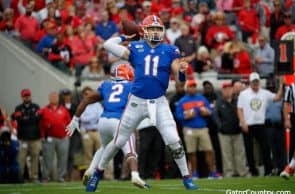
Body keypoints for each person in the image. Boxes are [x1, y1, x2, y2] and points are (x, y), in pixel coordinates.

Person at [66, 15, 199, 191]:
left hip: (159, 102)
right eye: (152, 29)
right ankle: (97, 174)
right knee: (117, 140)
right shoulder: (136, 47)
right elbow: (108, 45)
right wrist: (125, 37)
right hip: (136, 102)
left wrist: (182, 71)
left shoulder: (170, 50)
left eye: (158, 29)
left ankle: (187, 178)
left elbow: (179, 79)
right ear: (143, 31)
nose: (155, 32)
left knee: (174, 140)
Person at [66, 63, 148, 189]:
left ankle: (91, 170)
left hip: (103, 121)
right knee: (130, 151)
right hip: (120, 121)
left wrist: (75, 119)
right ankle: (135, 175)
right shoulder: (132, 86)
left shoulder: (106, 84)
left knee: (104, 147)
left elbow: (86, 99)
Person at [237, 72, 283, 176]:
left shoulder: (264, 93)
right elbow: (239, 109)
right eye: (253, 82)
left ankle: (268, 170)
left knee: (265, 148)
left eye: (257, 82)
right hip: (248, 124)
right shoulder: (244, 94)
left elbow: (277, 98)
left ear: (259, 82)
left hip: (260, 124)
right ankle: (253, 171)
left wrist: (281, 85)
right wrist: (242, 122)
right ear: (250, 82)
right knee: (249, 150)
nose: (255, 84)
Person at [176, 79, 219, 179]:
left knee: (209, 150)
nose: (193, 88)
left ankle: (212, 172)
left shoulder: (202, 99)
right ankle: (194, 173)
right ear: (187, 88)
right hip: (189, 129)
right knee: (191, 152)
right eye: (191, 86)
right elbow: (178, 115)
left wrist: (207, 112)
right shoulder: (183, 101)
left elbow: (210, 111)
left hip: (202, 128)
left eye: (194, 86)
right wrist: (186, 116)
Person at [215, 82, 249, 177]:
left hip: (237, 131)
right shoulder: (219, 102)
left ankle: (242, 172)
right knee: (227, 155)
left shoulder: (237, 101)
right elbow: (216, 116)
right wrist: (220, 126)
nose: (228, 91)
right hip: (224, 133)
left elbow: (243, 112)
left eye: (229, 89)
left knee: (240, 153)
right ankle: (229, 173)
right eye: (226, 89)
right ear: (222, 91)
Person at [39, 91, 71, 182]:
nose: (54, 99)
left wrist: (68, 135)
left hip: (63, 138)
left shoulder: (63, 109)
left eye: (56, 97)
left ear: (58, 98)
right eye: (52, 97)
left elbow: (69, 122)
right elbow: (41, 124)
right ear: (49, 99)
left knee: (63, 158)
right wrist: (42, 135)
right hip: (49, 138)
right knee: (47, 158)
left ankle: (60, 177)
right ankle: (45, 177)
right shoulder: (44, 110)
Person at [13, 89, 41, 182]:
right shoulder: (18, 108)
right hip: (22, 138)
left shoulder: (36, 106)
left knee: (35, 158)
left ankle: (34, 177)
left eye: (28, 95)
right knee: (21, 158)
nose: (27, 97)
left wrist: (26, 118)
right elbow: (19, 120)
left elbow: (37, 118)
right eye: (25, 96)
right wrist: (30, 118)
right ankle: (20, 177)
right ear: (22, 97)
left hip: (35, 137)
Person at [79, 86, 103, 169]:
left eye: (89, 94)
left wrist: (90, 118)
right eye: (85, 94)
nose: (87, 95)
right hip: (86, 131)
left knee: (102, 152)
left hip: (97, 131)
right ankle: (88, 175)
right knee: (88, 154)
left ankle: (106, 175)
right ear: (83, 95)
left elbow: (100, 117)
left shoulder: (97, 104)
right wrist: (94, 117)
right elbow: (82, 119)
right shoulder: (82, 105)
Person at [283, 70, 295, 160]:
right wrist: (286, 119)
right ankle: (291, 165)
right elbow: (286, 103)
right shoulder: (291, 87)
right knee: (294, 141)